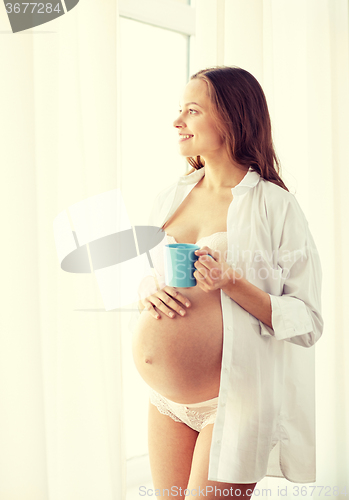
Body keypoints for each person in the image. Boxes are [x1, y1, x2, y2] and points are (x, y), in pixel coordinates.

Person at [132, 66, 324, 499]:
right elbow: (144, 273)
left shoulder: (274, 205)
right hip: (166, 402)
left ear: (231, 120)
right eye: (178, 110)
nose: (177, 122)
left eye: (192, 111)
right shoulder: (173, 195)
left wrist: (232, 282)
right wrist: (147, 288)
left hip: (235, 401)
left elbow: (308, 321)